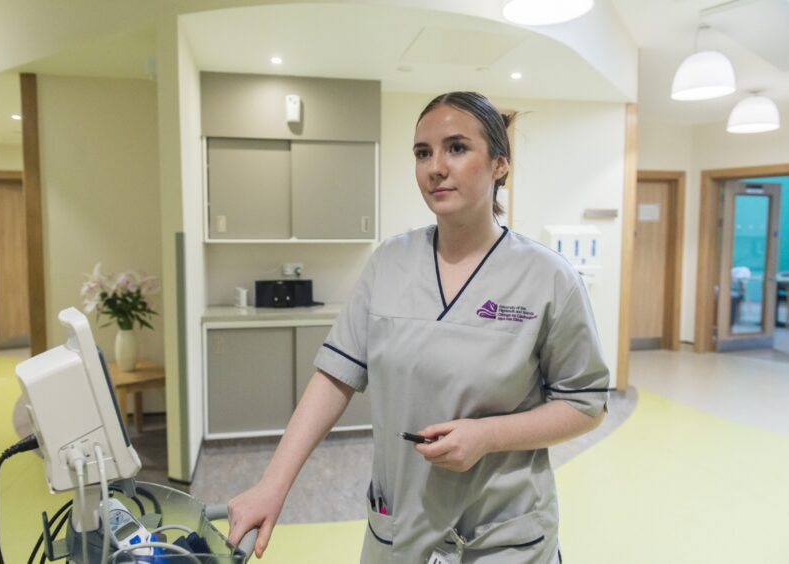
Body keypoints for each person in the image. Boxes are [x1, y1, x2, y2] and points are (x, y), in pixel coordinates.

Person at [227, 91, 609, 563]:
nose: (435, 167)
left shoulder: (549, 278)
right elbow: (334, 377)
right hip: (401, 527)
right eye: (423, 152)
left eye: (457, 147)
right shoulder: (389, 263)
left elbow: (586, 404)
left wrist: (487, 437)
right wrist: (273, 484)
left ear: (499, 165)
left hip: (505, 535)